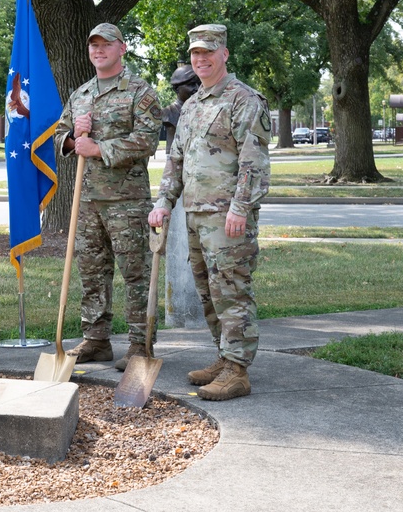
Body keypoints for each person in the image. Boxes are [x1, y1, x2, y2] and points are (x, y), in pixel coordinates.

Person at [149, 24, 271, 401]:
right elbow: (176, 160)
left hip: (227, 218)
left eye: (208, 52)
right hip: (196, 215)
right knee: (208, 292)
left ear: (224, 54)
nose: (200, 60)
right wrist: (163, 202)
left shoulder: (243, 99)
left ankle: (238, 370)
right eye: (195, 54)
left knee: (231, 290)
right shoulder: (192, 106)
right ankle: (224, 356)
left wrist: (240, 208)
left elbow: (254, 162)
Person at [53, 23, 162, 370]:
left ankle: (139, 344)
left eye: (106, 45)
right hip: (87, 201)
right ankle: (96, 339)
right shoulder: (81, 94)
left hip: (127, 201)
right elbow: (58, 136)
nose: (98, 50)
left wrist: (98, 148)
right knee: (92, 272)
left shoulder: (139, 92)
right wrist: (73, 136)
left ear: (122, 48)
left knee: (135, 274)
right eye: (93, 45)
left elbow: (147, 140)